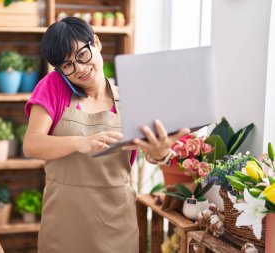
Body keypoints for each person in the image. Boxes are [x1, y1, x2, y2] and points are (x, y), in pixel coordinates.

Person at [23, 17, 190, 253]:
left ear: (97, 43)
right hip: (65, 223)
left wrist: (159, 153)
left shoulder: (131, 98)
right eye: (67, 65)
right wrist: (81, 142)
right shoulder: (54, 87)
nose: (79, 68)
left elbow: (151, 152)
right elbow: (32, 144)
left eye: (82, 54)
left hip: (116, 222)